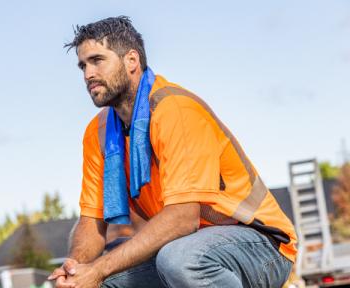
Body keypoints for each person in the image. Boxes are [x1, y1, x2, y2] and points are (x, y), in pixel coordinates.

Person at [49, 16, 297, 288]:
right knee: (102, 278)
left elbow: (183, 218)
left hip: (260, 245)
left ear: (132, 61)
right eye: (82, 65)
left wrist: (99, 269)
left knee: (178, 259)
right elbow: (92, 222)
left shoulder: (175, 110)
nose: (88, 74)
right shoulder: (98, 133)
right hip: (187, 244)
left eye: (97, 60)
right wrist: (76, 270)